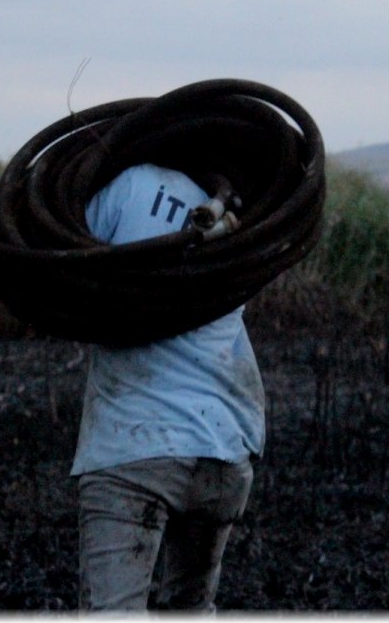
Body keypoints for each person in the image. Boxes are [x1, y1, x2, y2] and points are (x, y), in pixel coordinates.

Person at [72, 161, 266, 611]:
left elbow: (66, 267)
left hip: (134, 446)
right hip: (225, 446)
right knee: (190, 610)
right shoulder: (239, 218)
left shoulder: (128, 184)